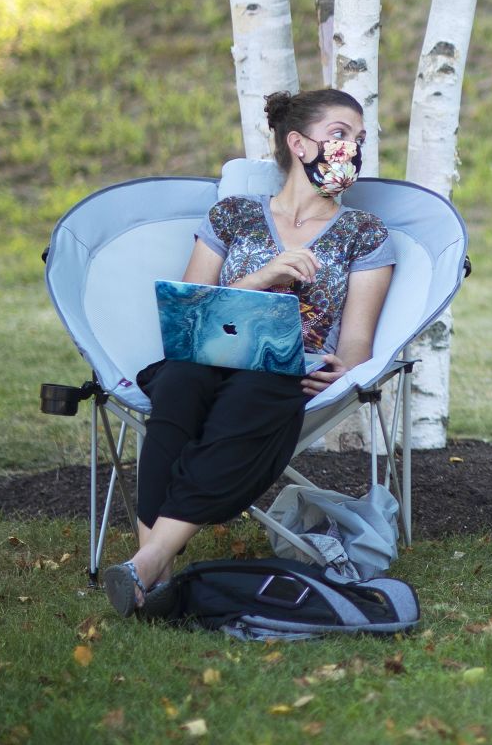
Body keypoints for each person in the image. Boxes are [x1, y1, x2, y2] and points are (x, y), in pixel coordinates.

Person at [104, 89, 396, 617]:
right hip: (207, 353)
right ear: (298, 143)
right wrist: (265, 276)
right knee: (178, 385)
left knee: (253, 395)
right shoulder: (234, 216)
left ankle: (147, 564)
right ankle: (155, 566)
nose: (352, 148)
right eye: (339, 135)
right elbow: (191, 311)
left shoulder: (363, 233)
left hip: (286, 368)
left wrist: (346, 370)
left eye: (359, 138)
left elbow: (356, 344)